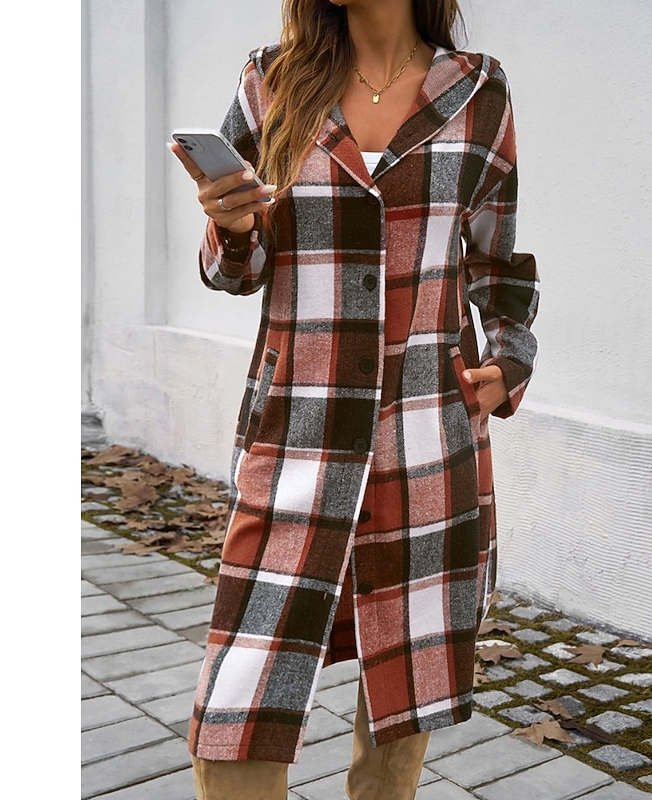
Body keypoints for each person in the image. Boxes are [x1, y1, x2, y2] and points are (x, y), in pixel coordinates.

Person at [170, 0, 539, 797]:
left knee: (398, 720)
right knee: (235, 718)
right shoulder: (271, 83)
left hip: (427, 441)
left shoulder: (479, 93)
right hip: (294, 437)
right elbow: (234, 272)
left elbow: (499, 263)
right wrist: (233, 229)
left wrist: (509, 360)